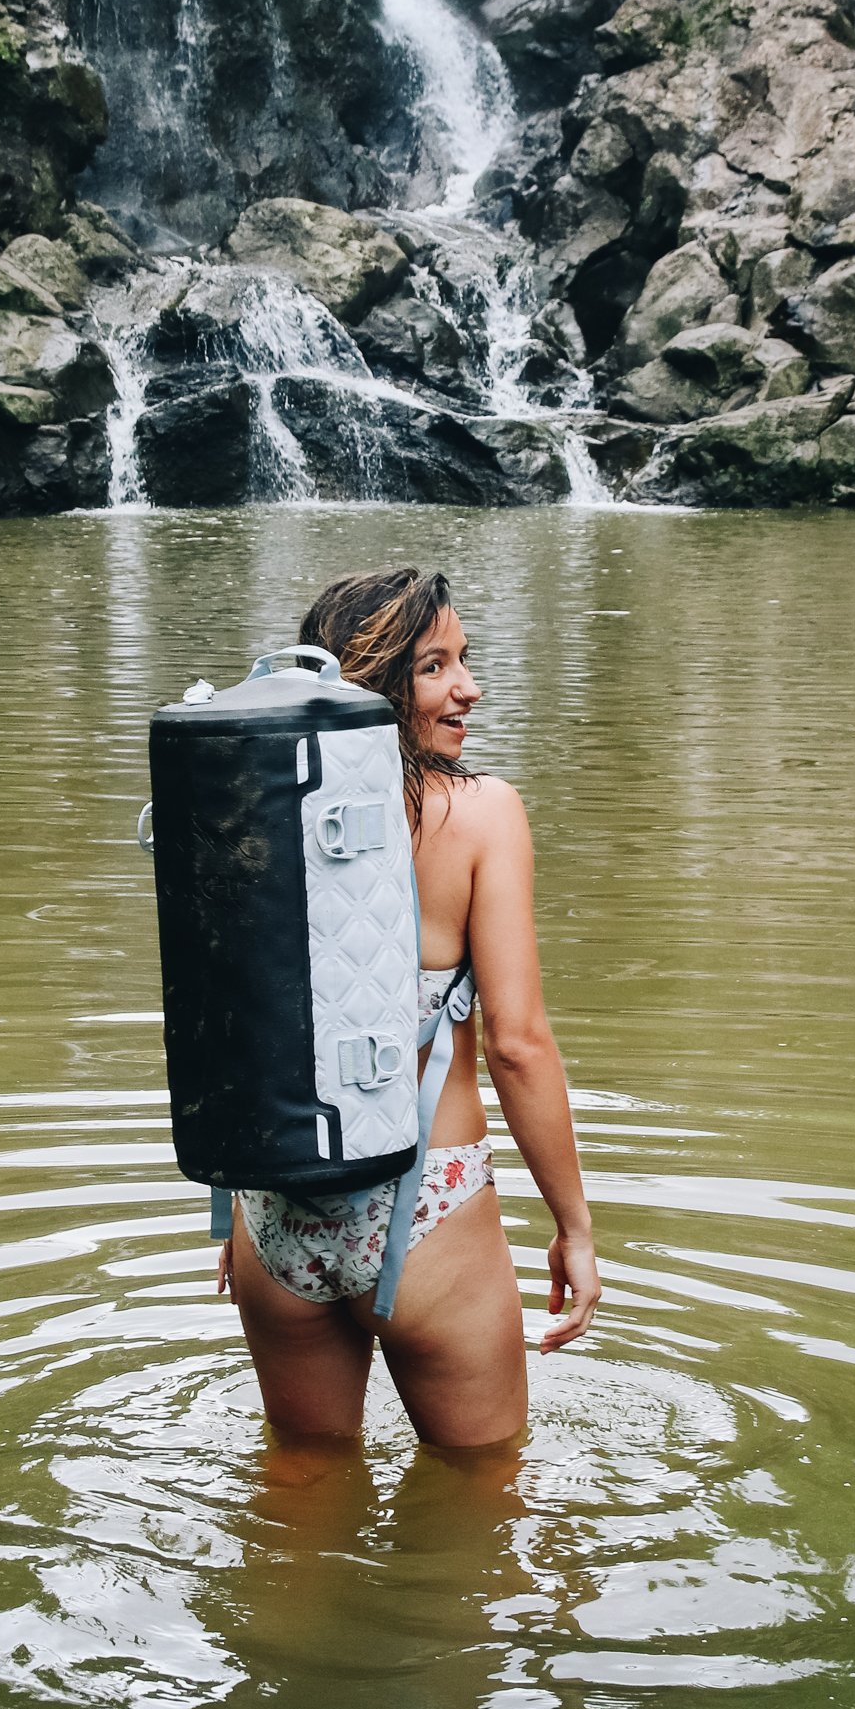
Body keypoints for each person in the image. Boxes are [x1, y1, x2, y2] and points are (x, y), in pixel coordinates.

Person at [217, 566, 600, 1448]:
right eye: (435, 667)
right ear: (375, 682)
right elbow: (517, 1044)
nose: (469, 688)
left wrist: (236, 1209)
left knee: (302, 1493)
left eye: (464, 660)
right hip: (426, 1209)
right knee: (484, 1502)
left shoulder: (257, 804)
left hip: (275, 1204)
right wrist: (572, 1227)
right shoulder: (482, 816)